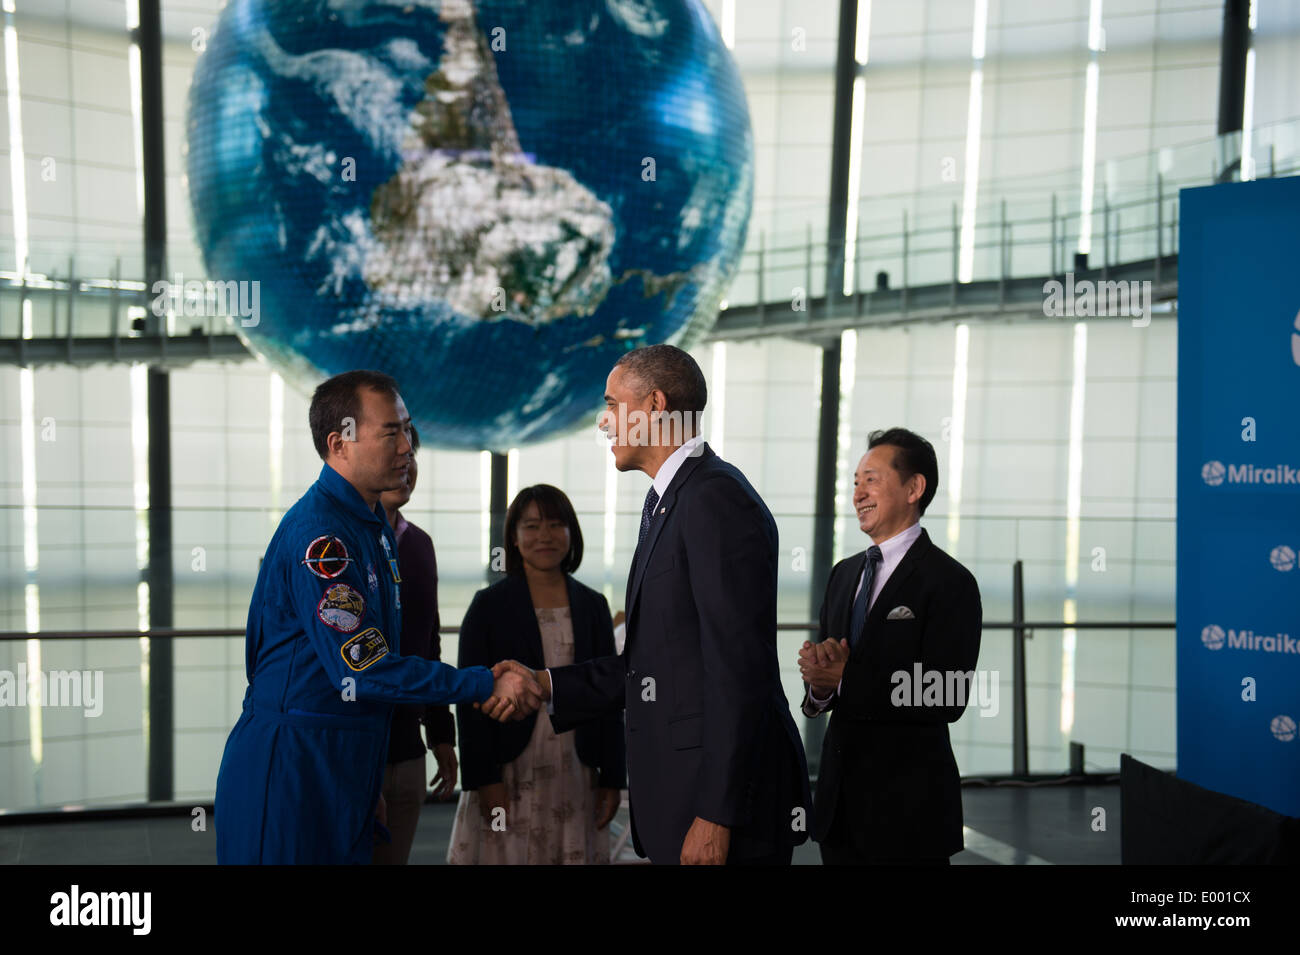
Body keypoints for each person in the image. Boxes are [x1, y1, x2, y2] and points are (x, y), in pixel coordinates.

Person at [484, 345, 811, 865]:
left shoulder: (714, 499)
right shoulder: (670, 499)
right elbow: (650, 666)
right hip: (682, 795)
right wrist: (545, 682)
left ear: (655, 405)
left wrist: (716, 816)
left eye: (613, 405)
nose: (604, 421)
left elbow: (738, 671)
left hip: (717, 807)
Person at [214, 370, 538, 864]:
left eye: (408, 430)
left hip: (344, 762)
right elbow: (362, 666)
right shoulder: (322, 537)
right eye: (391, 432)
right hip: (293, 768)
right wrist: (481, 685)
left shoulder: (373, 530)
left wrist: (363, 780)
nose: (408, 447)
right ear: (339, 442)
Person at [799, 428, 983, 865]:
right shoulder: (844, 574)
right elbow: (828, 688)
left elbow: (947, 693)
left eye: (872, 479)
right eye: (855, 482)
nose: (858, 492)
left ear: (914, 488)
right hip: (839, 808)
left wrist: (846, 678)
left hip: (908, 813)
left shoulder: (950, 582)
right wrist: (820, 682)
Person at [447, 484, 625, 865]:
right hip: (509, 770)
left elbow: (610, 696)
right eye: (531, 526)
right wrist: (484, 781)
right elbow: (470, 702)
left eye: (555, 524)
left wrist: (613, 776)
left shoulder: (593, 605)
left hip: (576, 769)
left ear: (571, 534)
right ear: (512, 537)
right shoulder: (488, 606)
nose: (544, 535)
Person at [372, 425, 459, 866]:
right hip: (350, 753)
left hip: (408, 752)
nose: (406, 463)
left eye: (412, 455)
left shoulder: (419, 545)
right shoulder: (338, 544)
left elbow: (428, 645)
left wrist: (441, 735)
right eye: (394, 450)